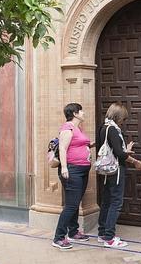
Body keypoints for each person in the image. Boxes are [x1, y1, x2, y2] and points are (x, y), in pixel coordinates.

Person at [97, 102, 141, 248]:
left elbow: (105, 148)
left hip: (106, 170)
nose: (123, 122)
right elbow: (119, 154)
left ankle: (102, 233)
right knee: (116, 203)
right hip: (115, 170)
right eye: (123, 119)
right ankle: (109, 238)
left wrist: (124, 149)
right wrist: (130, 156)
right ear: (118, 117)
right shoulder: (113, 129)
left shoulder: (103, 127)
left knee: (106, 201)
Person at [52, 103, 95, 250]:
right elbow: (63, 148)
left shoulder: (78, 129)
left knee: (75, 202)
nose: (83, 113)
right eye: (81, 110)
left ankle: (73, 231)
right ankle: (58, 237)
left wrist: (90, 145)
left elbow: (77, 145)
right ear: (75, 113)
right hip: (72, 170)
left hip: (82, 170)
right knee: (71, 205)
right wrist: (64, 167)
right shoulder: (67, 128)